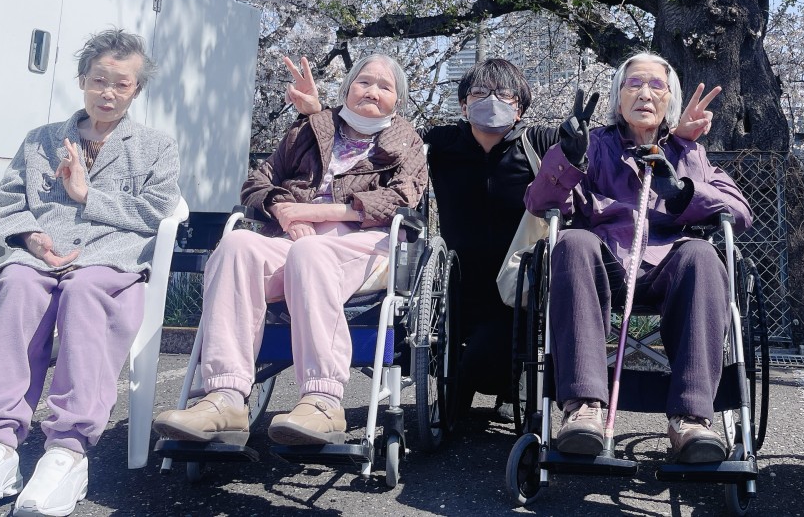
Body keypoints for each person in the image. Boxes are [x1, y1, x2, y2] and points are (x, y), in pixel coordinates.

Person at [283, 54, 722, 419]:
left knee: (490, 356)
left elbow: (581, 144)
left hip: (515, 282)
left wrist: (676, 139)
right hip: (455, 280)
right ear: (462, 104)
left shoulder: (536, 142)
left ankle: (505, 390)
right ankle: (459, 400)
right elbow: (382, 134)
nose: (491, 102)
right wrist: (317, 115)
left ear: (521, 108)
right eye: (479, 94)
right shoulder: (441, 144)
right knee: (449, 377)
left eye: (505, 96)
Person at [0, 30, 180, 516]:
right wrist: (31, 238)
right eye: (99, 81)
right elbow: (6, 204)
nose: (108, 93)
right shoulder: (42, 139)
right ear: (82, 81)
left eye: (121, 84)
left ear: (136, 90)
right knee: (14, 285)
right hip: (39, 255)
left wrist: (87, 195)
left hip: (111, 258)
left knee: (86, 291)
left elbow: (157, 211)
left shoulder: (156, 147)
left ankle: (67, 452)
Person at [152, 53, 427, 447]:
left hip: (363, 240)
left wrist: (317, 212)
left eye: (385, 86)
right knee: (236, 245)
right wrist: (283, 210)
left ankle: (322, 401)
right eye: (364, 81)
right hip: (292, 237)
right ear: (347, 88)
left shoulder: (407, 141)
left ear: (397, 101)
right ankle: (225, 397)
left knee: (311, 253)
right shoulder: (309, 131)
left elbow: (401, 198)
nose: (372, 91)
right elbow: (257, 182)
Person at [524, 52, 752, 463]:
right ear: (618, 96)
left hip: (669, 265)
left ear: (670, 100)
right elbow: (540, 203)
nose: (645, 93)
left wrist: (682, 191)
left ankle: (691, 418)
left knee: (703, 254)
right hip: (605, 260)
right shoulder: (594, 145)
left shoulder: (687, 153)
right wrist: (567, 159)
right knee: (571, 244)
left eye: (656, 85)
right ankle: (583, 407)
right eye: (634, 84)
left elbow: (739, 212)